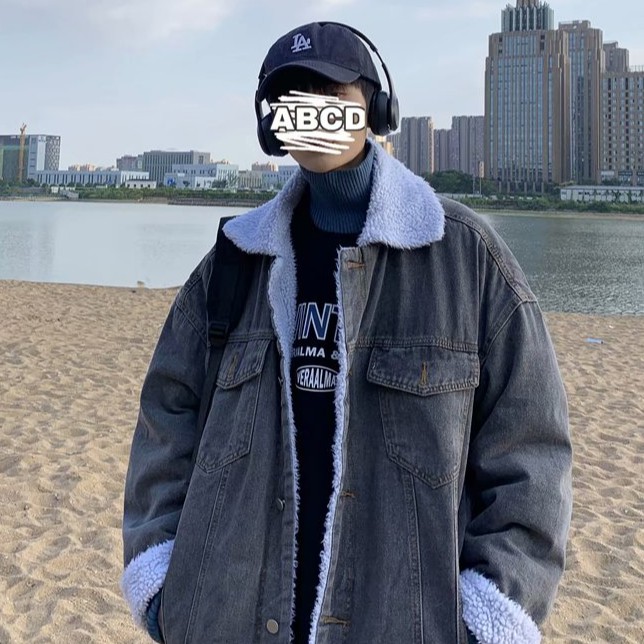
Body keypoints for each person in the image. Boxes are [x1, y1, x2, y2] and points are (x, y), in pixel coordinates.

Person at [120, 21, 572, 644]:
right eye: (294, 97)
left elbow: (531, 451)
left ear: (376, 109)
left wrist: (489, 616)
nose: (312, 112)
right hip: (227, 616)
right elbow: (165, 424)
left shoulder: (467, 259)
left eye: (330, 92)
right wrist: (159, 581)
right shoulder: (233, 262)